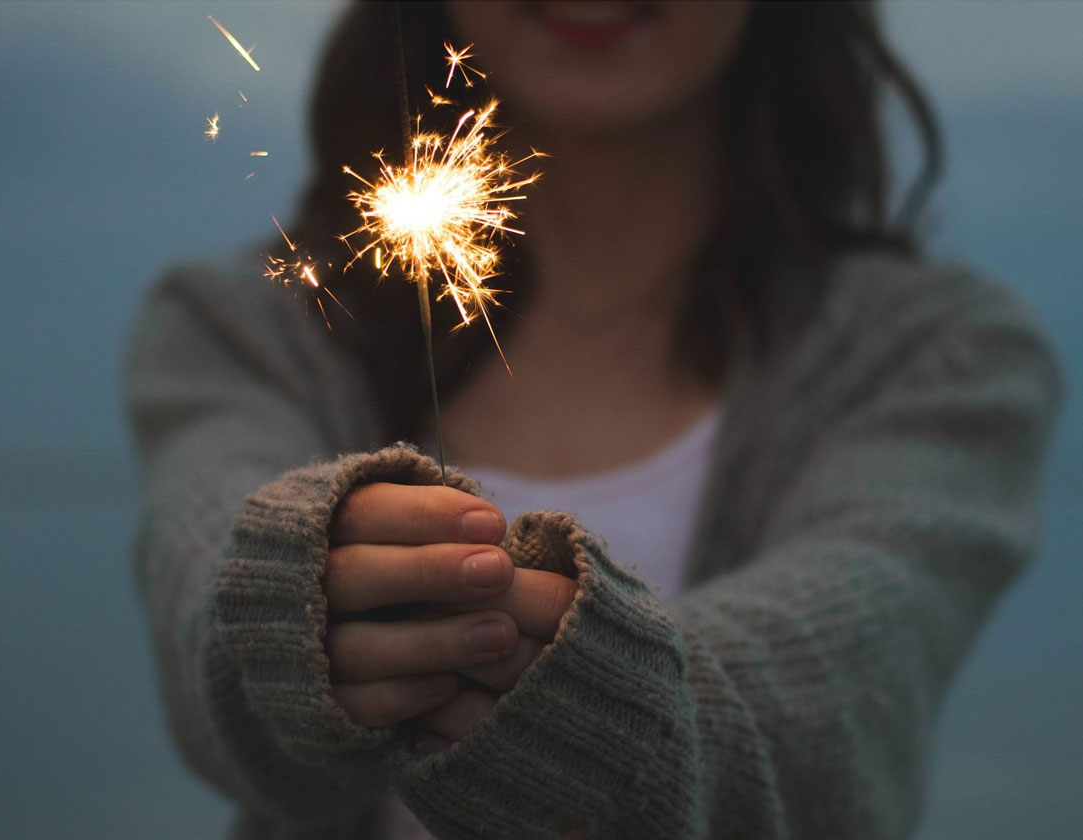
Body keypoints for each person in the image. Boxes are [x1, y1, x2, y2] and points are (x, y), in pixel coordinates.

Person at [124, 2, 1061, 838]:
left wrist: (596, 700)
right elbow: (206, 598)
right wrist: (290, 607)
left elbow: (839, 695)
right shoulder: (249, 329)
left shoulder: (935, 357)